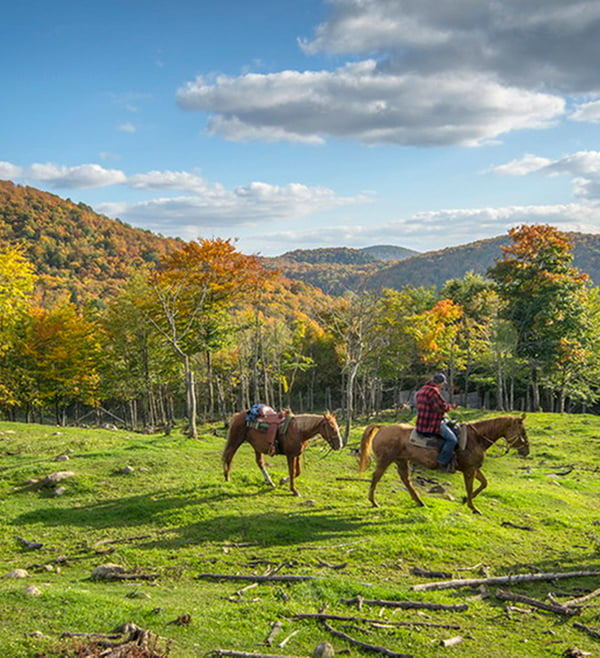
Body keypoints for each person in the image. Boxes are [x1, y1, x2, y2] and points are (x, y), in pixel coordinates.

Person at [415, 373, 459, 473]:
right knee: (452, 440)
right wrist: (451, 407)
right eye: (443, 384)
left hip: (421, 422)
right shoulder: (433, 391)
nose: (442, 386)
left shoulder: (422, 390)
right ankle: (442, 462)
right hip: (432, 423)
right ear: (440, 383)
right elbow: (440, 408)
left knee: (449, 423)